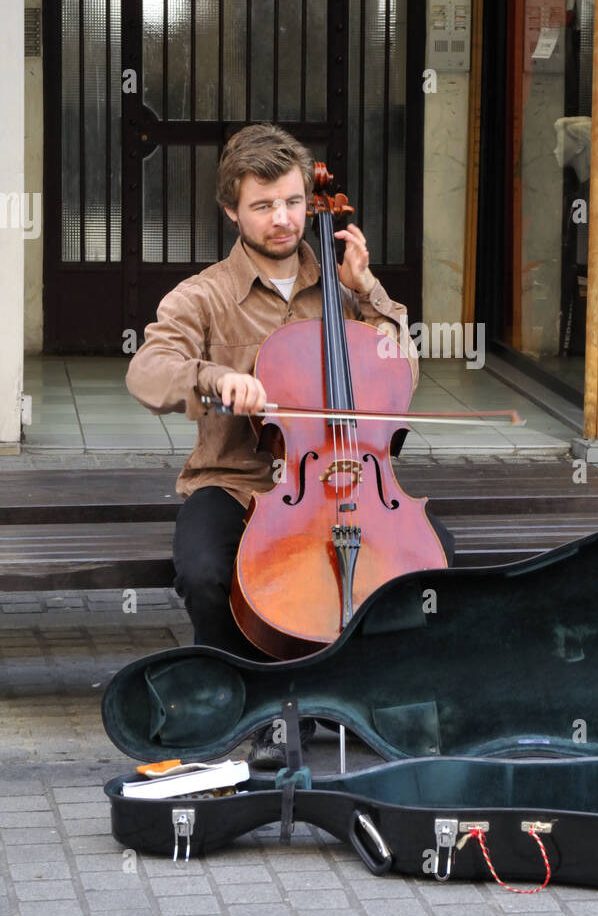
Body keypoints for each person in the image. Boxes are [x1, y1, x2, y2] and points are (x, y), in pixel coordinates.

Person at [126, 123, 427, 762]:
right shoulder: (203, 297)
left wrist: (367, 290)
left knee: (422, 566)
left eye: (292, 201)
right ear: (232, 210)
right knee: (205, 571)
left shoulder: (344, 286)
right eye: (263, 206)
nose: (283, 218)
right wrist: (214, 377)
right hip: (235, 482)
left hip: (346, 479)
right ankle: (251, 702)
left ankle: (359, 695)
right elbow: (146, 371)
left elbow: (402, 369)